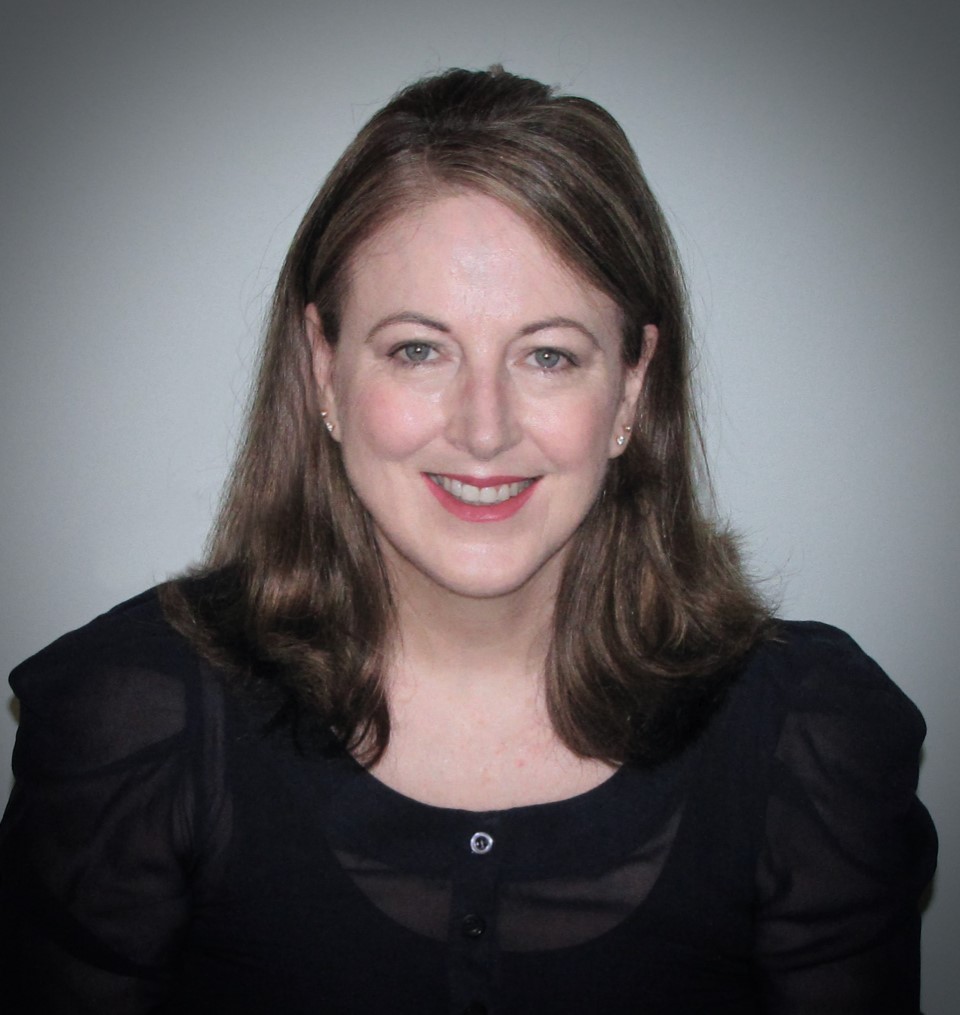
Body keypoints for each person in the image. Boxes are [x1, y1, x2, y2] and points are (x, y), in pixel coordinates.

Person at [0, 67, 937, 1014]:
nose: (483, 429)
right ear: (323, 368)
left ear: (632, 389)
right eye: (419, 348)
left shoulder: (809, 739)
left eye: (549, 355)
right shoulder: (133, 722)